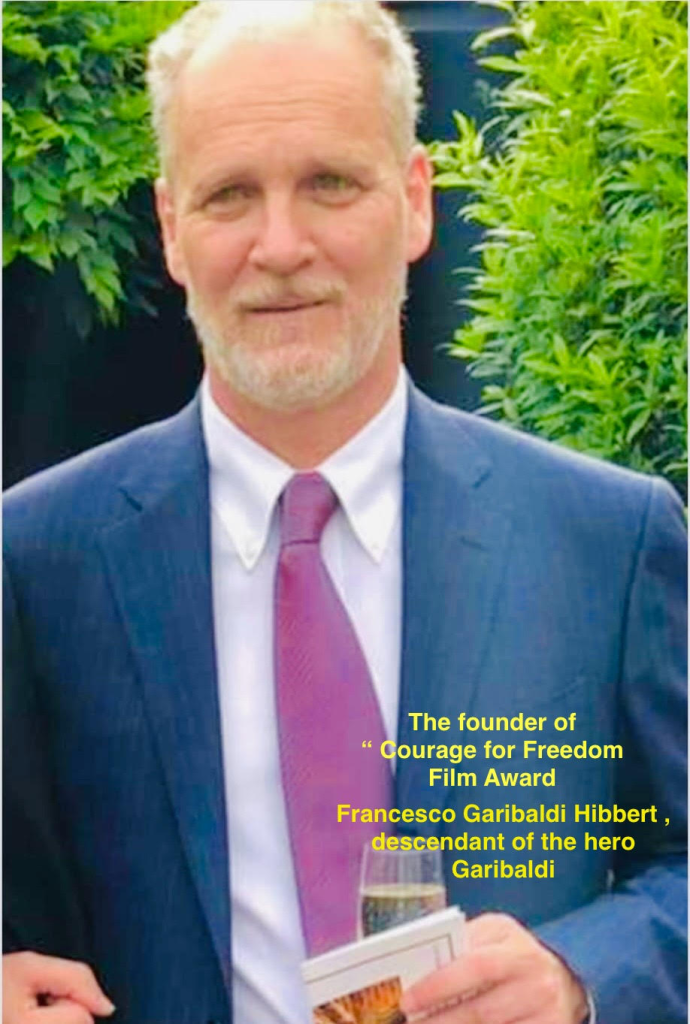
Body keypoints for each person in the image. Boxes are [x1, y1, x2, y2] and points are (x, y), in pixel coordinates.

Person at [3, 2, 686, 1023]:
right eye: (231, 193)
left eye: (330, 183)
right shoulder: (34, 560)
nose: (281, 245)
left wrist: (582, 974)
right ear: (173, 229)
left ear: (415, 202)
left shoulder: (607, 539)